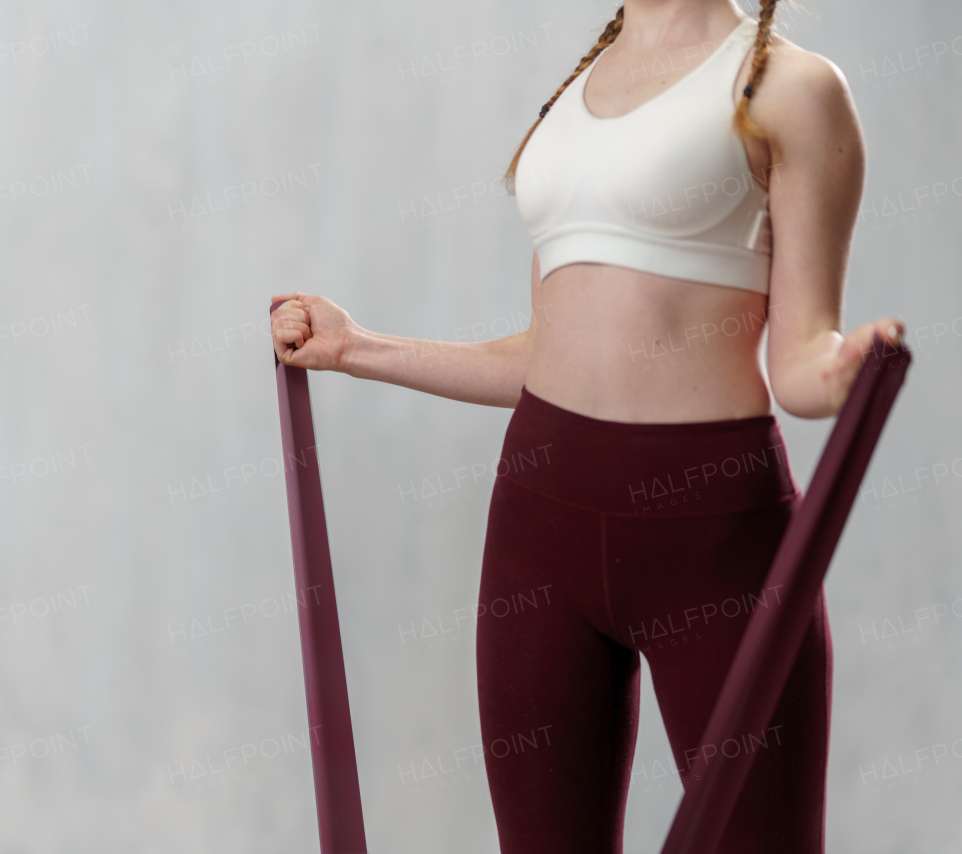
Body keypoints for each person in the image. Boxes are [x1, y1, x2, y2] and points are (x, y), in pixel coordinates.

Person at [269, 1, 903, 851]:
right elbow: (546, 355)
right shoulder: (575, 92)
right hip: (540, 527)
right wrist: (358, 348)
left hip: (712, 542)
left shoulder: (792, 88)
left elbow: (797, 366)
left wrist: (846, 368)